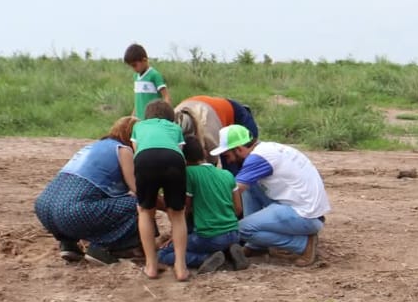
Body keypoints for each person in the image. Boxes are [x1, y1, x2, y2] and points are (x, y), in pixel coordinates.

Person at [211, 124, 330, 265]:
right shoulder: (267, 149)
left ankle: (303, 245)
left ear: (238, 149)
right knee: (250, 186)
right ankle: (256, 246)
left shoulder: (258, 159)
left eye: (227, 155)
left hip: (304, 216)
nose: (228, 161)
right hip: (307, 209)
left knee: (241, 229)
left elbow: (232, 192)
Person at [33, 117, 141, 263]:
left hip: (45, 208)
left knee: (90, 200)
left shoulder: (93, 147)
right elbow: (139, 190)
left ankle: (68, 244)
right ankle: (103, 248)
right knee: (138, 204)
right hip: (73, 213)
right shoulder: (123, 150)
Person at [158, 136, 248, 275]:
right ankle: (229, 253)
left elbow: (185, 209)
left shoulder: (189, 174)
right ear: (204, 153)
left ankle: (206, 258)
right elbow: (238, 209)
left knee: (163, 254)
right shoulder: (227, 174)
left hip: (210, 236)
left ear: (183, 158)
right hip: (234, 233)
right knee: (214, 242)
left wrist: (176, 234)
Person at [130, 100, 190, 282]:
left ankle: (151, 266)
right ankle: (181, 267)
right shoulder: (175, 128)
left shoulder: (138, 127)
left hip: (145, 159)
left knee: (145, 212)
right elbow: (180, 152)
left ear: (147, 116)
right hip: (173, 160)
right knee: (177, 214)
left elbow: (136, 151)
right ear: (171, 117)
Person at [123, 43, 169, 120]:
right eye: (131, 66)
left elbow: (166, 96)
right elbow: (138, 100)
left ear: (144, 60)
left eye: (134, 65)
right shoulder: (136, 77)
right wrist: (132, 117)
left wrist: (166, 117)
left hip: (153, 120)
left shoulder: (154, 75)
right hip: (140, 120)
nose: (133, 69)